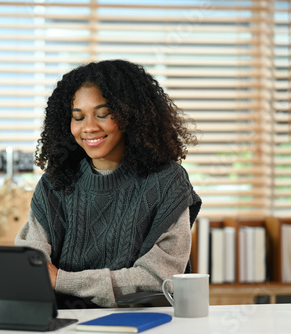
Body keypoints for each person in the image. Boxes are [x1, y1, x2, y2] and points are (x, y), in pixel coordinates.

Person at [15, 59, 202, 308]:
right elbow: (30, 264)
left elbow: (158, 278)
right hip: (64, 324)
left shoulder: (166, 182)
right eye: (78, 117)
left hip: (139, 323)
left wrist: (62, 280)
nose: (89, 127)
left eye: (102, 114)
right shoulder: (55, 183)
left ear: (130, 115)